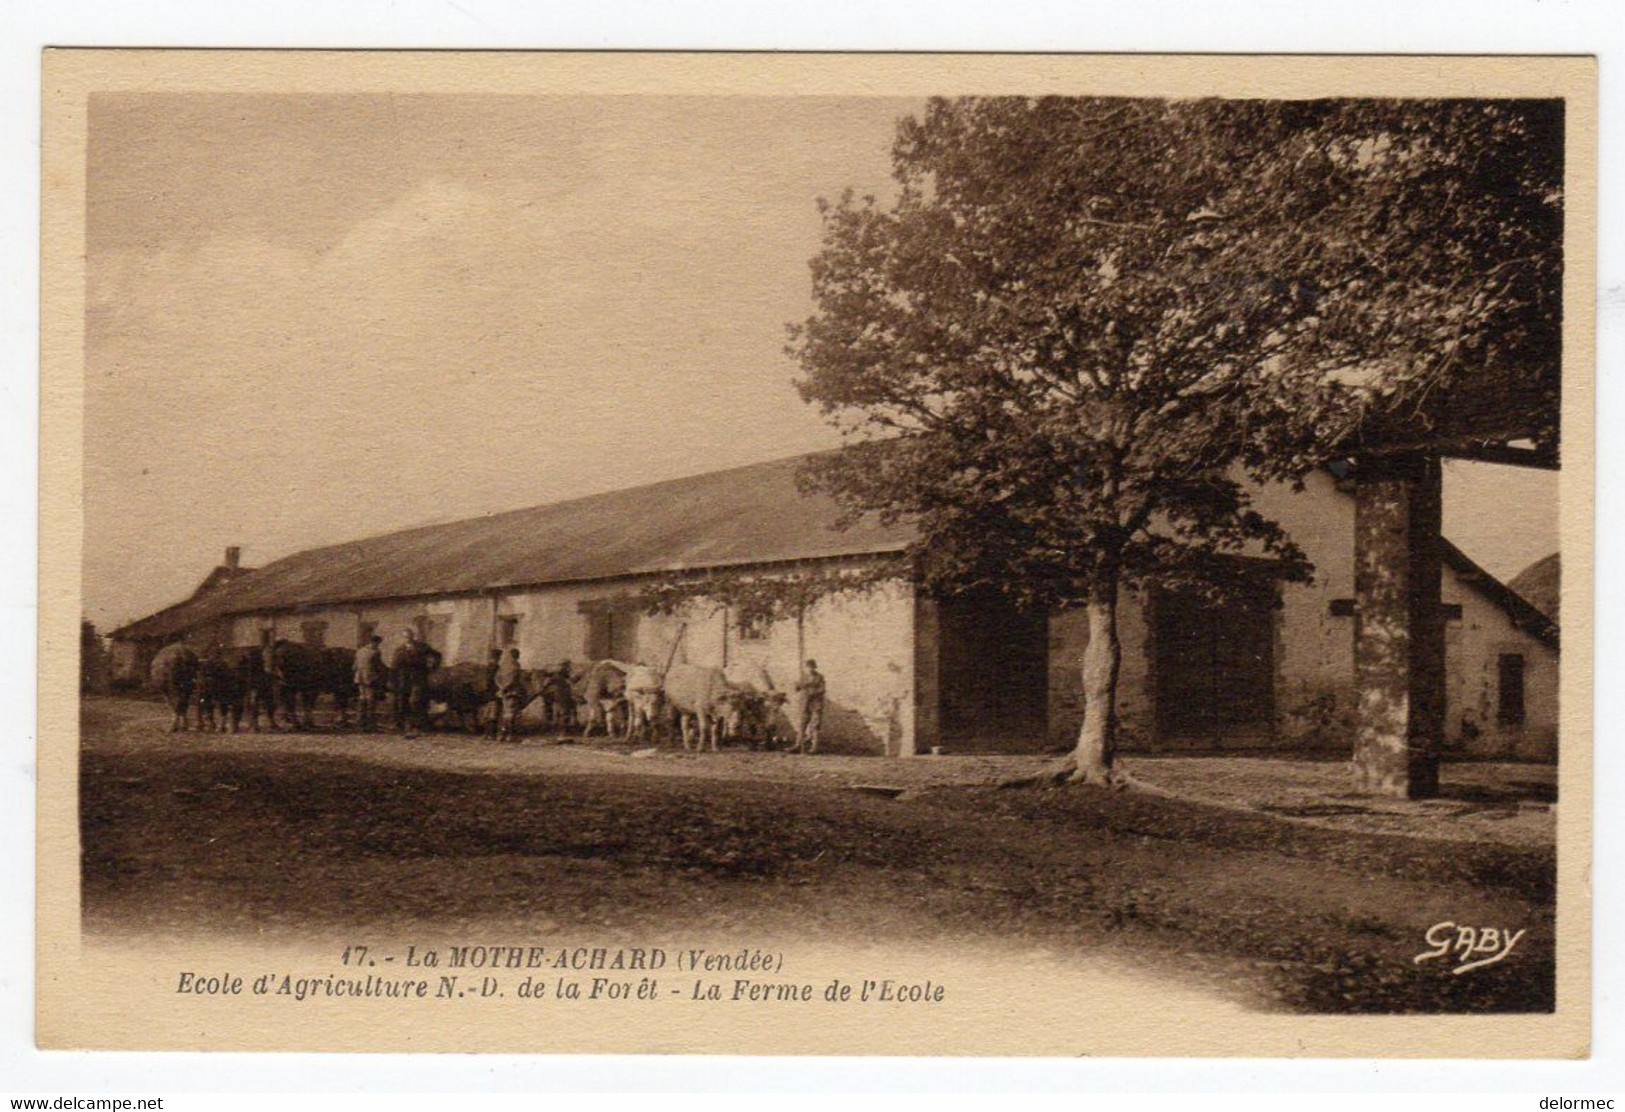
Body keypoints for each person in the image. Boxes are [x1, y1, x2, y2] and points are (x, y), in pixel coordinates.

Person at [391, 627, 442, 738]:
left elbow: (437, 655)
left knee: (416, 701)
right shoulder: (399, 650)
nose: (408, 639)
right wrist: (394, 680)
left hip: (419, 678)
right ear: (403, 638)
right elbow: (394, 666)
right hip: (404, 679)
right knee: (403, 702)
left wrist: (433, 666)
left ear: (413, 636)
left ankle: (419, 726)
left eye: (409, 636)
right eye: (405, 637)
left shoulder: (422, 647)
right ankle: (408, 726)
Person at [352, 634, 387, 730]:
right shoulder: (375, 652)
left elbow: (354, 667)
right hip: (370, 679)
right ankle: (370, 724)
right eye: (378, 643)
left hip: (359, 678)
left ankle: (359, 722)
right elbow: (379, 666)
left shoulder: (360, 651)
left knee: (362, 699)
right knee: (371, 701)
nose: (378, 645)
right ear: (375, 642)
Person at [493, 647, 527, 743]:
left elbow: (496, 678)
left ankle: (501, 736)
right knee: (511, 714)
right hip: (513, 692)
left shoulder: (503, 666)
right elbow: (513, 680)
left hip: (504, 693)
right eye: (518, 654)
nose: (519, 656)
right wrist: (505, 688)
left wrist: (500, 688)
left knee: (505, 714)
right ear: (515, 655)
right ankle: (510, 735)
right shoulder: (515, 666)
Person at [794, 659, 826, 754]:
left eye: (812, 667)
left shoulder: (819, 677)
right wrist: (799, 684)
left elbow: (822, 690)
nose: (810, 669)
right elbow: (797, 689)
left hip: (816, 705)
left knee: (815, 726)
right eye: (808, 667)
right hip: (805, 704)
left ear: (815, 667)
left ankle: (814, 748)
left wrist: (811, 691)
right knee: (802, 725)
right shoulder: (803, 677)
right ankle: (798, 745)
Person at [483, 647, 504, 738]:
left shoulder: (488, 667)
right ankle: (491, 734)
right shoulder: (495, 668)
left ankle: (487, 734)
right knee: (493, 714)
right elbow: (494, 680)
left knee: (489, 714)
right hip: (495, 693)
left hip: (489, 693)